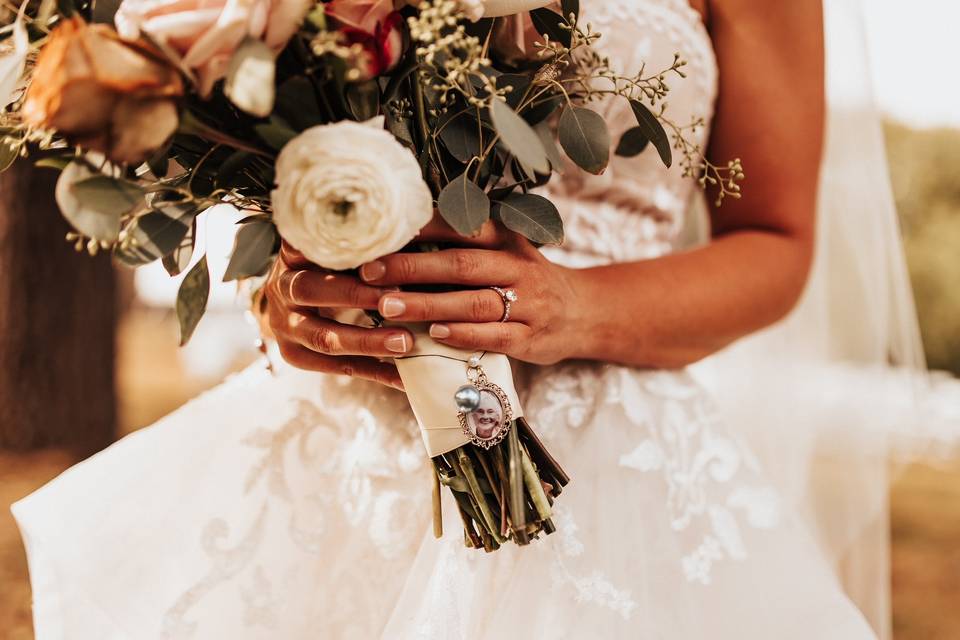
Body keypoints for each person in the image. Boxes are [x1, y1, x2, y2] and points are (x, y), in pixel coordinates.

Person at [12, 1, 933, 638]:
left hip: (618, 468)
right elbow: (304, 134)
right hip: (339, 452)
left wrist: (572, 307)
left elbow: (776, 244)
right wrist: (289, 294)